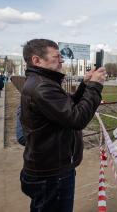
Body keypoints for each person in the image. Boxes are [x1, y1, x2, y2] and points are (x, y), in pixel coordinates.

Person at [19, 39, 106, 212]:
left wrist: (85, 84)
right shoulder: (42, 86)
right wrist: (95, 86)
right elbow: (77, 119)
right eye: (56, 56)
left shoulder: (42, 81)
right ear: (37, 60)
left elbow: (65, 107)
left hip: (48, 167)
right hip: (52, 173)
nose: (62, 60)